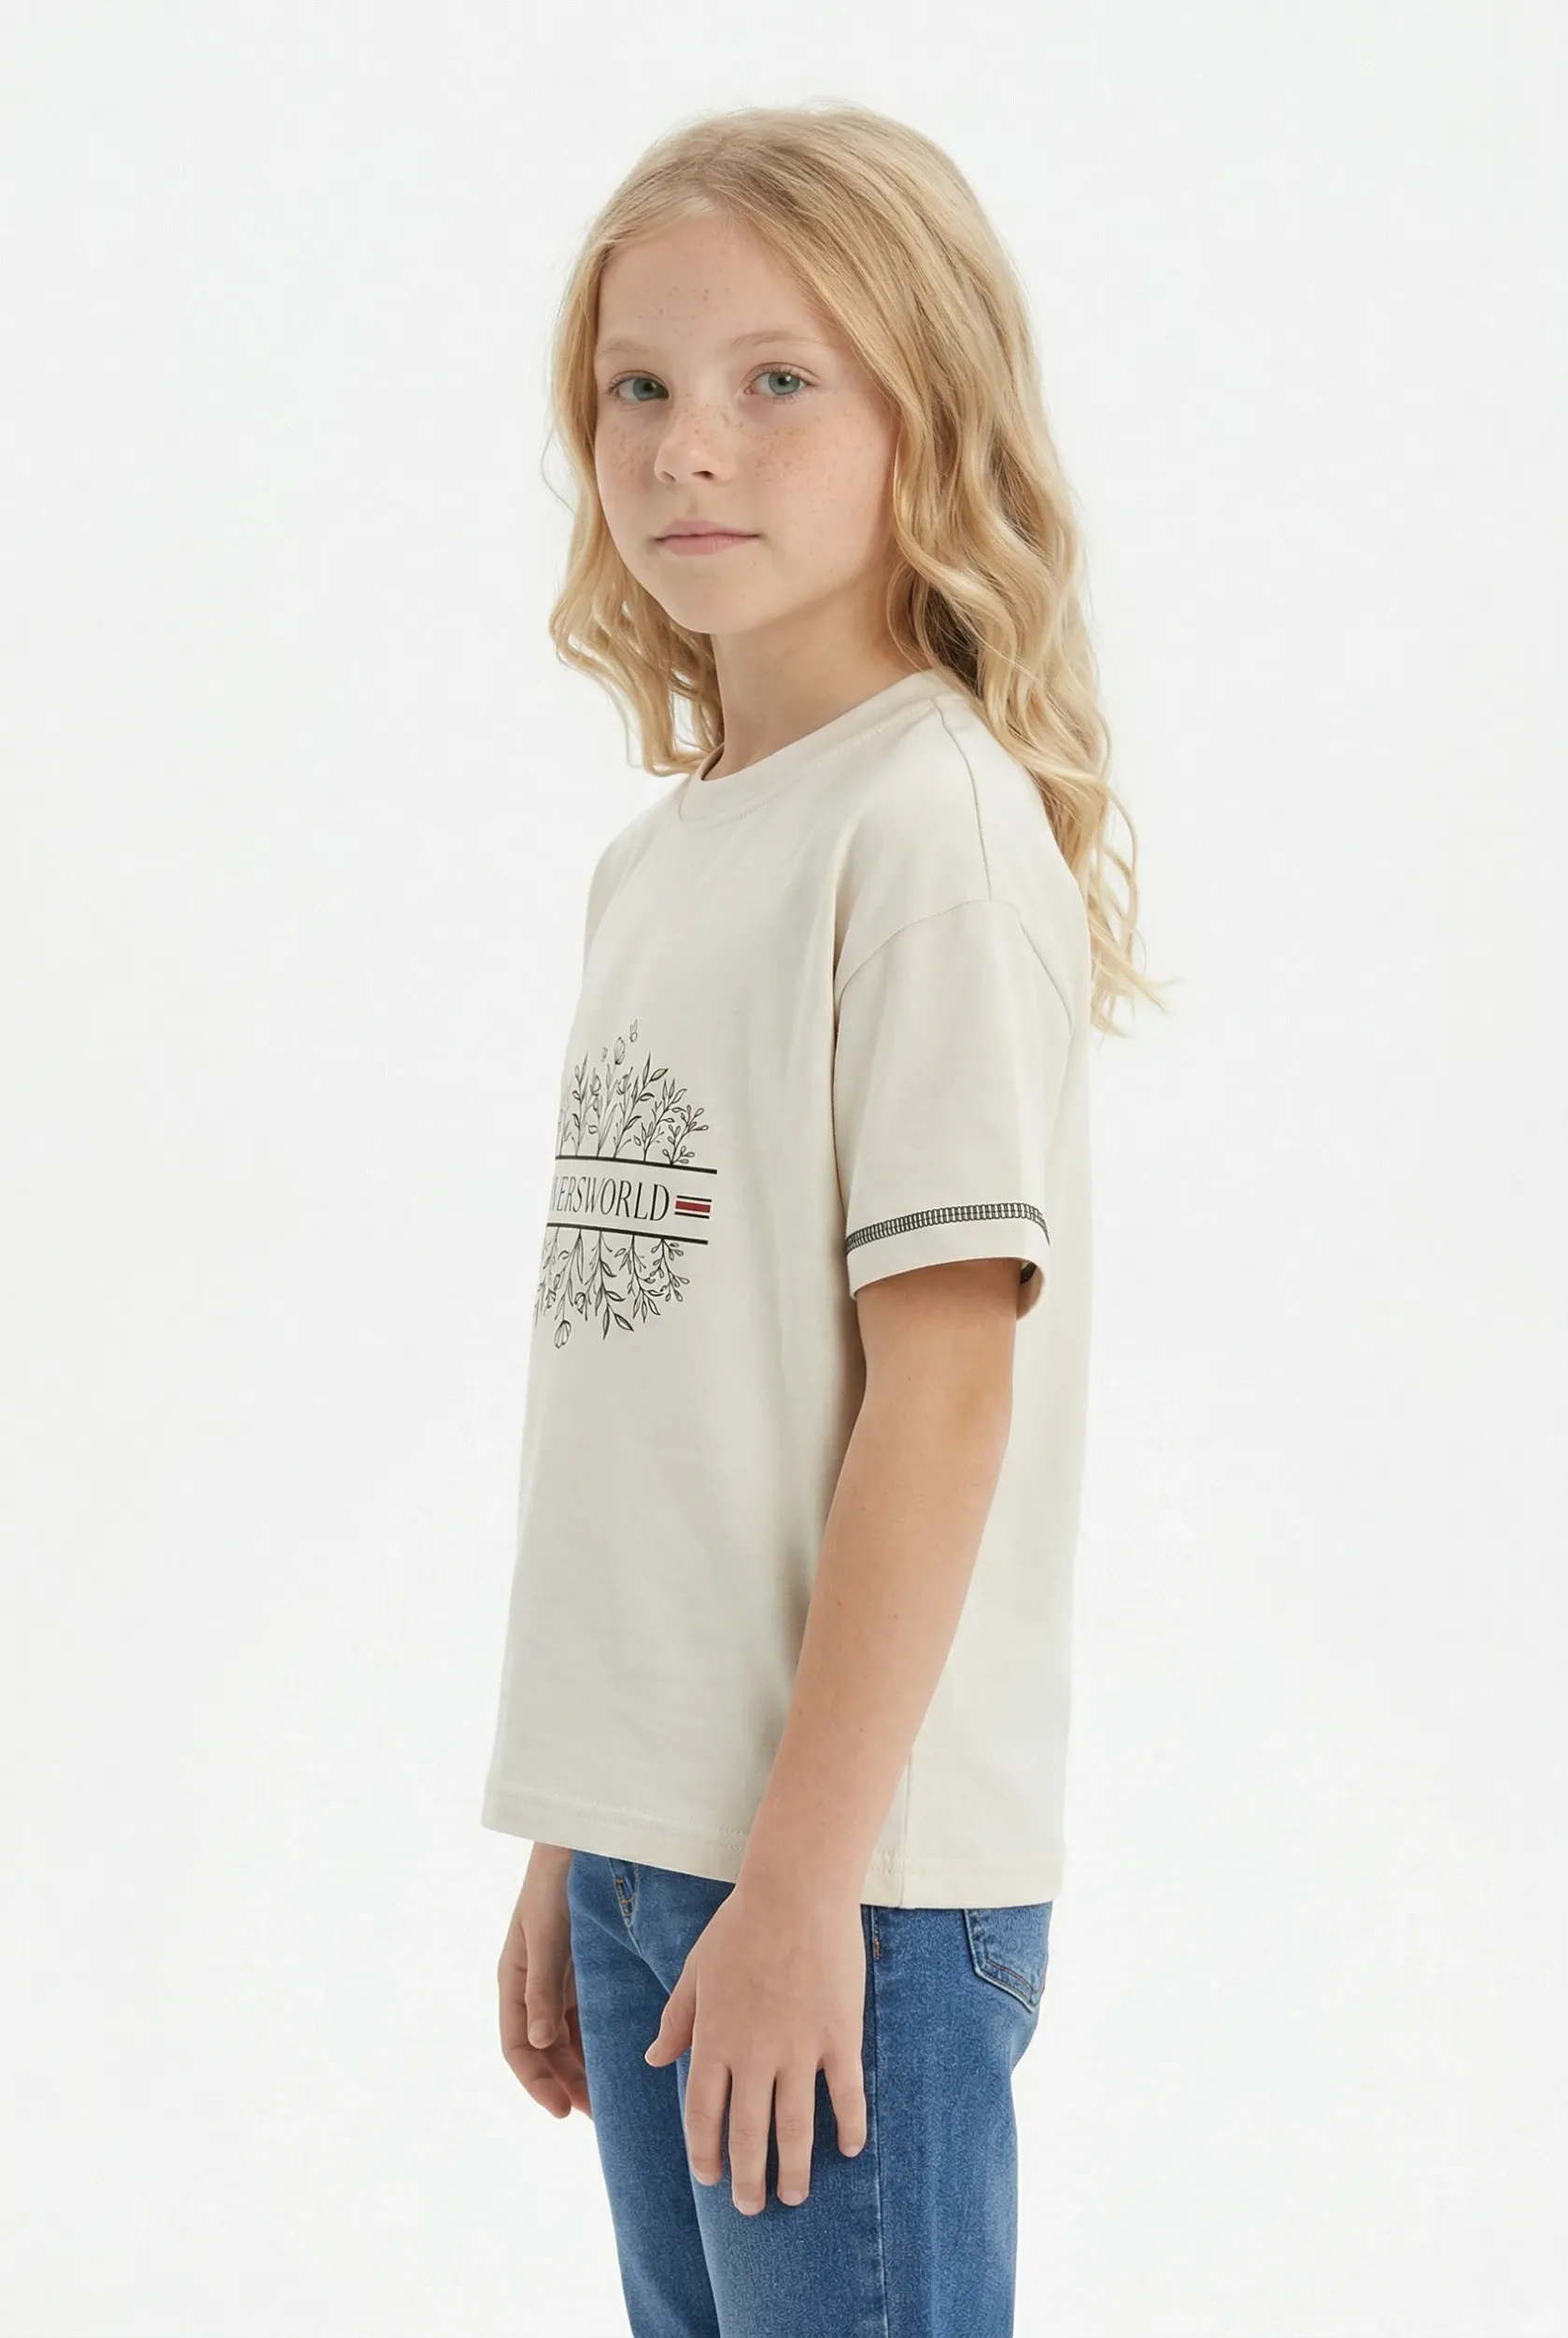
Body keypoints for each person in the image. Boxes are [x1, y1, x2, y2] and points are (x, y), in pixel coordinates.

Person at [482, 99, 1166, 2338]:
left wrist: (795, 1889)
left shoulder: (927, 832)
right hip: (672, 1856)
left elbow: (938, 1401)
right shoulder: (663, 862)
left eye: (777, 379)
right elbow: (686, 1414)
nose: (689, 443)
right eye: (638, 385)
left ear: (926, 416)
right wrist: (587, 1827)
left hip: (842, 1882)